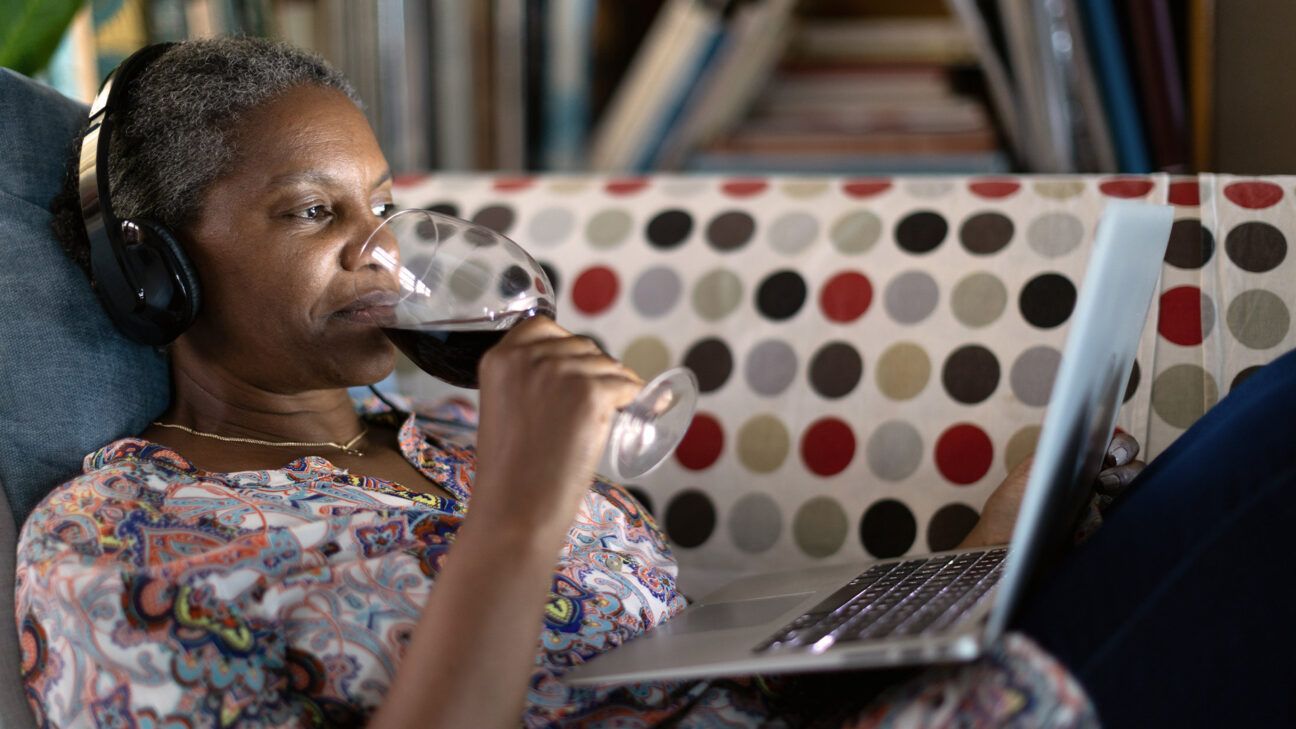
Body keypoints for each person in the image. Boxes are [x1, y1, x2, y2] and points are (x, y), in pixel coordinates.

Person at [16, 36, 1295, 728]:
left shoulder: (456, 435)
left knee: (1263, 414)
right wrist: (521, 507)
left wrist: (994, 542)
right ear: (156, 271)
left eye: (387, 204)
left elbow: (718, 672)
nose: (387, 251)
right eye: (313, 210)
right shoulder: (116, 541)